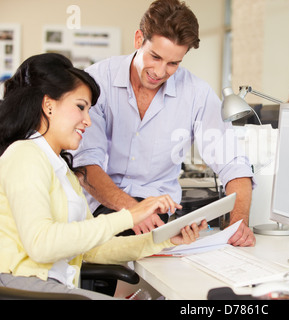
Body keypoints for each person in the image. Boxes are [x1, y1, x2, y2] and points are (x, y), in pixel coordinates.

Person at [0, 53, 207, 300]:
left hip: (56, 289)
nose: (87, 121)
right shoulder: (24, 154)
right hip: (23, 288)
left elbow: (93, 249)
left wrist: (163, 240)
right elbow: (41, 244)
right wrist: (129, 216)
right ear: (49, 105)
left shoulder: (63, 169)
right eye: (80, 107)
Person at [72, 0, 255, 246]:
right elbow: (86, 165)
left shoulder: (196, 93)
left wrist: (239, 223)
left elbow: (234, 163)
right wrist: (132, 212)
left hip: (160, 215)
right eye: (155, 57)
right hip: (99, 207)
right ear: (138, 40)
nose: (159, 72)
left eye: (173, 64)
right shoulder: (97, 82)